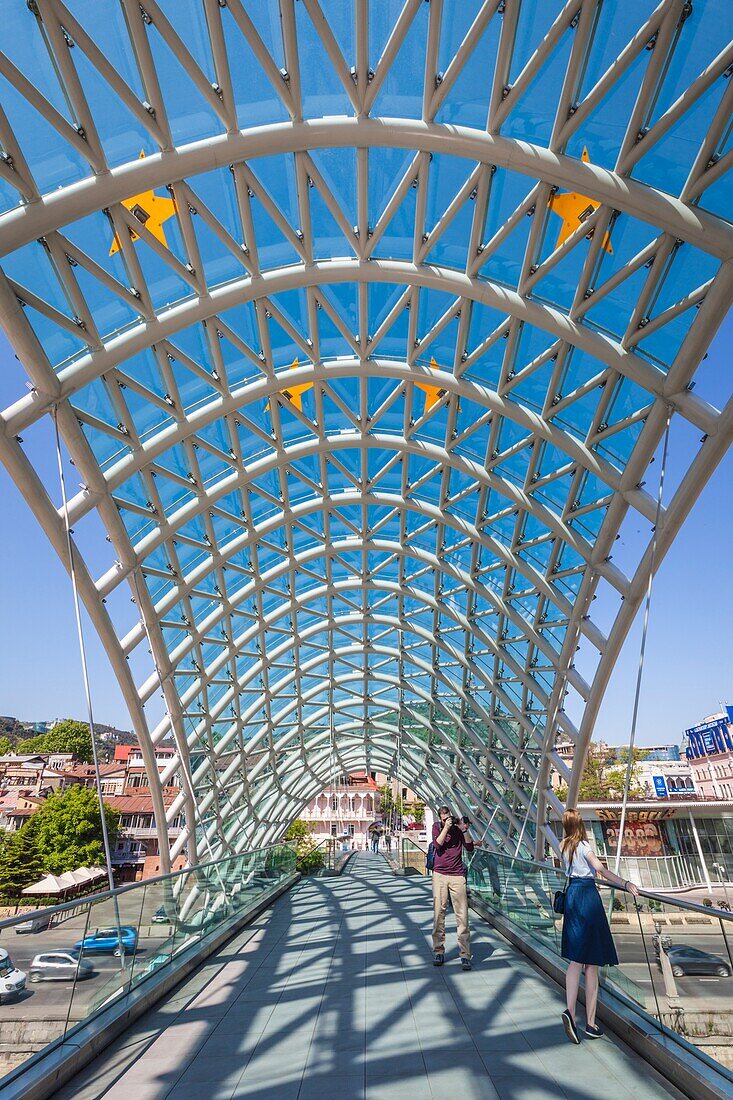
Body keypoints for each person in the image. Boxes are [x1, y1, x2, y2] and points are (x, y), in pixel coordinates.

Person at [559, 808, 640, 1044]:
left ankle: (570, 1012)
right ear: (580, 824)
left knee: (575, 960)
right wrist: (625, 883)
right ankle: (591, 1023)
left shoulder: (564, 846)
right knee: (592, 963)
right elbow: (601, 870)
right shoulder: (583, 846)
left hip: (572, 896)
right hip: (587, 898)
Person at [431, 805, 475, 970]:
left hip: (457, 875)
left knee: (462, 915)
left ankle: (465, 954)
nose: (447, 821)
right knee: (439, 913)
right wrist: (446, 827)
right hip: (439, 875)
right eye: (443, 819)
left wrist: (464, 830)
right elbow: (437, 845)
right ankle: (438, 951)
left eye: (448, 818)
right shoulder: (437, 827)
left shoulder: (458, 829)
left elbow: (469, 847)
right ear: (440, 819)